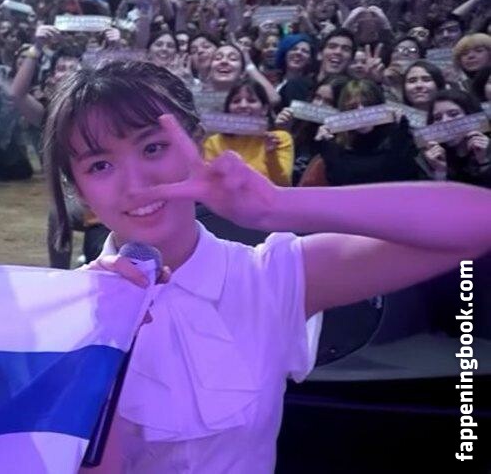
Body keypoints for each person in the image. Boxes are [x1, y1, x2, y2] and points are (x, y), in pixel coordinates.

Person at [43, 60, 491, 472]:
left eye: (153, 147)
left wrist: (277, 206)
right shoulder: (58, 316)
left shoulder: (271, 277)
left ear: (196, 142)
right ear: (78, 188)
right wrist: (98, 348)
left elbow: (478, 222)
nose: (136, 184)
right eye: (100, 165)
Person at [299, 79, 425, 187]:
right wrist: (325, 145)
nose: (361, 111)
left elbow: (400, 174)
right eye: (353, 107)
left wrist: (401, 133)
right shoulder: (335, 148)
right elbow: (339, 181)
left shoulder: (398, 138)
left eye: (368, 104)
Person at [202, 80, 293, 186]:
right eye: (236, 101)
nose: (243, 105)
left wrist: (271, 154)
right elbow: (208, 183)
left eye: (251, 101)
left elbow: (283, 184)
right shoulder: (213, 142)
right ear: (228, 109)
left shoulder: (279, 138)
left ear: (264, 109)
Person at [423, 89, 491, 187]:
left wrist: (484, 161)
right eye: (438, 118)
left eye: (454, 114)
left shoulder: (488, 147)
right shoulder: (430, 157)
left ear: (471, 116)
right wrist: (440, 171)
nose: (445, 121)